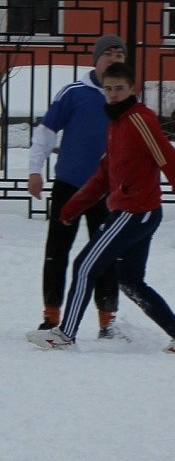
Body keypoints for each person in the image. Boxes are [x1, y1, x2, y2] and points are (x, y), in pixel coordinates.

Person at [25, 63, 175, 355]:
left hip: (135, 211)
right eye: (108, 89)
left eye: (119, 89)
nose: (113, 94)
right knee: (130, 280)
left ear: (132, 89)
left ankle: (65, 334)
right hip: (133, 210)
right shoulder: (116, 122)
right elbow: (103, 175)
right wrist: (71, 209)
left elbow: (172, 163)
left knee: (85, 265)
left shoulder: (139, 119)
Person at [27, 34, 128, 338]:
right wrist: (35, 170)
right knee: (57, 250)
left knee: (106, 253)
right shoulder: (74, 92)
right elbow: (46, 131)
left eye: (119, 55)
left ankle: (107, 321)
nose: (114, 59)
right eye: (108, 53)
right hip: (69, 185)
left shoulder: (124, 98)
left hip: (108, 191)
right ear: (96, 59)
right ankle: (51, 316)